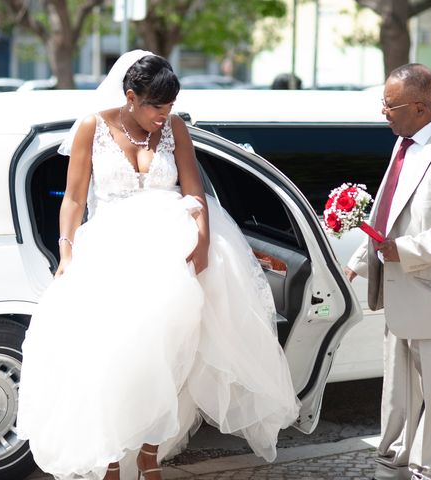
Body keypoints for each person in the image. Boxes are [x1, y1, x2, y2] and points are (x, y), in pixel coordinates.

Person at [17, 50, 300, 480]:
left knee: (170, 359)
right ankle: (110, 458)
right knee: (112, 359)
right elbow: (74, 199)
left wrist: (203, 241)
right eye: (155, 106)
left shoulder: (175, 128)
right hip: (111, 259)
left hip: (172, 260)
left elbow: (194, 189)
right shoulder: (93, 127)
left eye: (168, 106)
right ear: (130, 96)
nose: (163, 115)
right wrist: (67, 252)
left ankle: (150, 452)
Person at [344, 64, 431, 480]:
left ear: (420, 107)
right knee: (397, 397)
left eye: (390, 105)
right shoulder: (404, 143)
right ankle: (392, 467)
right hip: (399, 294)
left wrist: (403, 251)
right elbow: (389, 215)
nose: (383, 112)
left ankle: (430, 473)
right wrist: (356, 264)